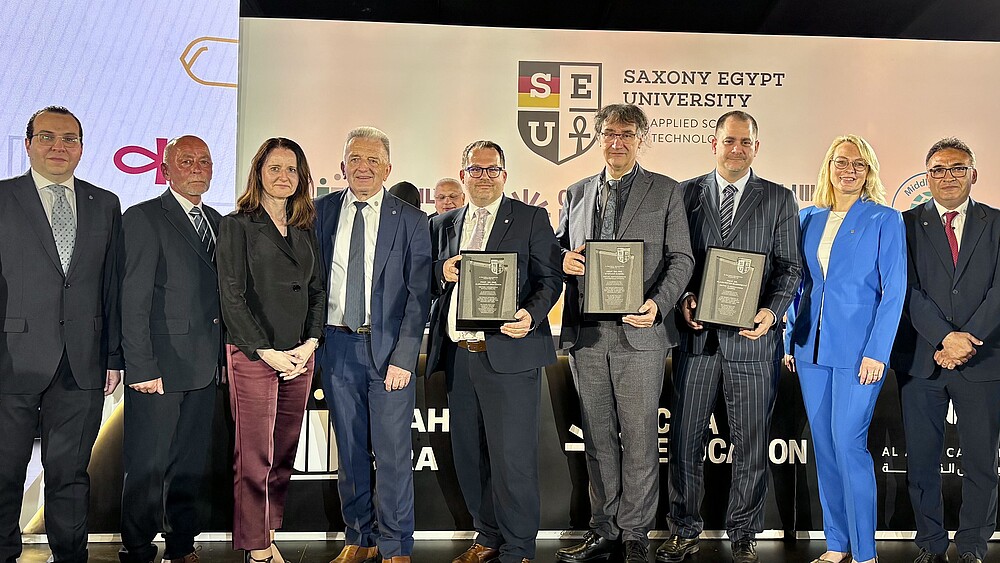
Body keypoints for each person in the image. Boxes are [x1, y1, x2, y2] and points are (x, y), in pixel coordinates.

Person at [555, 103, 693, 563]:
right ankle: (604, 527)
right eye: (608, 134)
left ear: (641, 138)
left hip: (641, 332)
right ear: (598, 138)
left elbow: (682, 259)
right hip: (588, 334)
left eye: (626, 134)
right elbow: (559, 248)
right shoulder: (575, 192)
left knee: (637, 436)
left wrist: (658, 305)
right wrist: (563, 261)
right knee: (597, 436)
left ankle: (635, 530)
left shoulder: (666, 191)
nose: (616, 142)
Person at [663, 111, 801, 563]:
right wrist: (683, 298)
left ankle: (744, 531)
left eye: (745, 141)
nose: (736, 148)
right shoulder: (684, 194)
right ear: (714, 144)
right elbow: (676, 260)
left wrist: (769, 312)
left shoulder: (779, 199)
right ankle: (683, 527)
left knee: (751, 442)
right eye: (728, 141)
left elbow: (790, 268)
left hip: (753, 342)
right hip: (697, 342)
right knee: (685, 439)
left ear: (756, 147)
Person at [427, 140, 562, 563]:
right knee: (469, 454)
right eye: (475, 169)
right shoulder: (443, 224)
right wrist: (440, 272)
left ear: (504, 175)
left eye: (492, 169)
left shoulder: (531, 218)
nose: (483, 176)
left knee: (512, 458)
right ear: (462, 173)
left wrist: (530, 315)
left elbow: (550, 278)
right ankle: (486, 537)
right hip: (460, 354)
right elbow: (425, 282)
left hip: (509, 353)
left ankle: (519, 547)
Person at [0, 106, 123, 563]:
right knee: (5, 472)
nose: (59, 146)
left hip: (83, 362)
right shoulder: (4, 197)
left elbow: (112, 285)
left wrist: (113, 356)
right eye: (48, 137)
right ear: (28, 143)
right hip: (10, 360)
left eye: (69, 139)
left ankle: (69, 556)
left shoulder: (104, 202)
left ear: (82, 148)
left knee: (70, 475)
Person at [784, 134, 906, 563]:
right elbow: (797, 284)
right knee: (824, 445)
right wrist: (787, 338)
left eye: (858, 163)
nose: (848, 169)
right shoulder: (808, 217)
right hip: (809, 349)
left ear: (869, 170)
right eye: (841, 162)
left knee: (848, 442)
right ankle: (837, 545)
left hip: (859, 353)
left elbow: (894, 291)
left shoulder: (885, 219)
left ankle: (866, 552)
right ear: (829, 167)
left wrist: (878, 351)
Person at [314, 127, 431, 563]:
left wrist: (404, 356)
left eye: (372, 160)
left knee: (395, 454)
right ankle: (358, 539)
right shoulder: (320, 213)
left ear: (388, 168)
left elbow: (419, 295)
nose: (363, 168)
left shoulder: (411, 219)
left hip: (388, 355)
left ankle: (396, 546)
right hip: (337, 347)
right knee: (349, 449)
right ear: (342, 167)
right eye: (354, 160)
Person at [217, 137, 326, 563]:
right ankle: (256, 546)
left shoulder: (305, 228)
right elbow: (231, 295)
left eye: (292, 169)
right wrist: (265, 350)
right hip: (253, 355)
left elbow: (317, 291)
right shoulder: (238, 224)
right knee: (255, 455)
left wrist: (310, 343)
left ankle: (269, 531)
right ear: (258, 172)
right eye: (275, 168)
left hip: (300, 355)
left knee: (283, 451)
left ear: (302, 178)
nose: (284, 177)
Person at [892, 138, 1000, 563]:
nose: (948, 176)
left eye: (957, 168)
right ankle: (931, 544)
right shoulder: (902, 225)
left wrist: (967, 338)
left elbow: (999, 291)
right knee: (921, 462)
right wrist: (944, 338)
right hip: (923, 362)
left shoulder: (996, 223)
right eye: (938, 169)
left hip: (984, 359)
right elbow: (906, 290)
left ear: (973, 174)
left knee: (981, 464)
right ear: (927, 175)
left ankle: (973, 545)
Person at [119, 135, 223, 563]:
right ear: (165, 168)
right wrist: (140, 365)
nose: (197, 167)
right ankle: (138, 549)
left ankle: (182, 544)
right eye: (186, 160)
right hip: (158, 368)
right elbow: (133, 297)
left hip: (204, 367)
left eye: (204, 160)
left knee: (189, 466)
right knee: (147, 466)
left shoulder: (218, 219)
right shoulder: (143, 217)